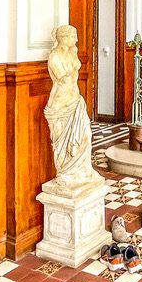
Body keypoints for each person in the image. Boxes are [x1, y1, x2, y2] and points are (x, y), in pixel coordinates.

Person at [44, 25, 103, 193]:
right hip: (60, 104)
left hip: (75, 100)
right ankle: (65, 174)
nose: (76, 40)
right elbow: (63, 77)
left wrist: (73, 54)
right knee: (62, 144)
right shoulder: (55, 56)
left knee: (85, 135)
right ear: (63, 38)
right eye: (73, 37)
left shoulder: (71, 53)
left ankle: (83, 171)